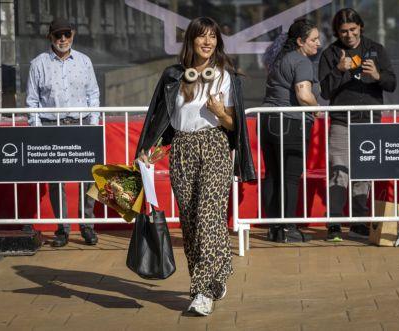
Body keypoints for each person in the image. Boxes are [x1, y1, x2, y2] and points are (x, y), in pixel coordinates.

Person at [136, 17, 256, 316]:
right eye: (201, 37)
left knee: (208, 216)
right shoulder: (173, 76)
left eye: (212, 37)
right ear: (190, 41)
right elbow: (163, 121)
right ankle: (218, 271)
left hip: (214, 145)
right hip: (183, 150)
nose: (207, 42)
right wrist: (150, 150)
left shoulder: (225, 76)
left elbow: (233, 124)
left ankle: (202, 291)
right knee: (190, 223)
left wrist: (219, 111)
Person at [319, 8, 397, 241]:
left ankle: (359, 221)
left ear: (360, 27)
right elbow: (324, 91)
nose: (349, 35)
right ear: (337, 32)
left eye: (353, 29)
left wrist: (377, 76)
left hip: (370, 120)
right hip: (342, 121)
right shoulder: (330, 53)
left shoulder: (376, 49)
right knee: (338, 172)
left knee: (364, 172)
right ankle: (334, 221)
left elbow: (392, 83)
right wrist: (339, 70)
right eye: (343, 31)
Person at [26, 17, 100, 247]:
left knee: (88, 177)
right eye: (58, 35)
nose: (62, 39)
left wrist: (94, 125)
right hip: (52, 127)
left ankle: (87, 226)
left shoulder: (85, 61)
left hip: (82, 124)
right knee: (56, 179)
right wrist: (36, 130)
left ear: (73, 35)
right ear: (50, 37)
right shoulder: (38, 63)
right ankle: (63, 228)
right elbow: (32, 101)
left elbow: (93, 95)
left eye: (66, 34)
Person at [260, 19, 321, 243]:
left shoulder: (278, 59)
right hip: (289, 123)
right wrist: (317, 110)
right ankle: (288, 229)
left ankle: (274, 228)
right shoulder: (301, 61)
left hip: (266, 121)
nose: (318, 43)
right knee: (290, 178)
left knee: (273, 176)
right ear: (300, 41)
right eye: (314, 39)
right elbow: (304, 94)